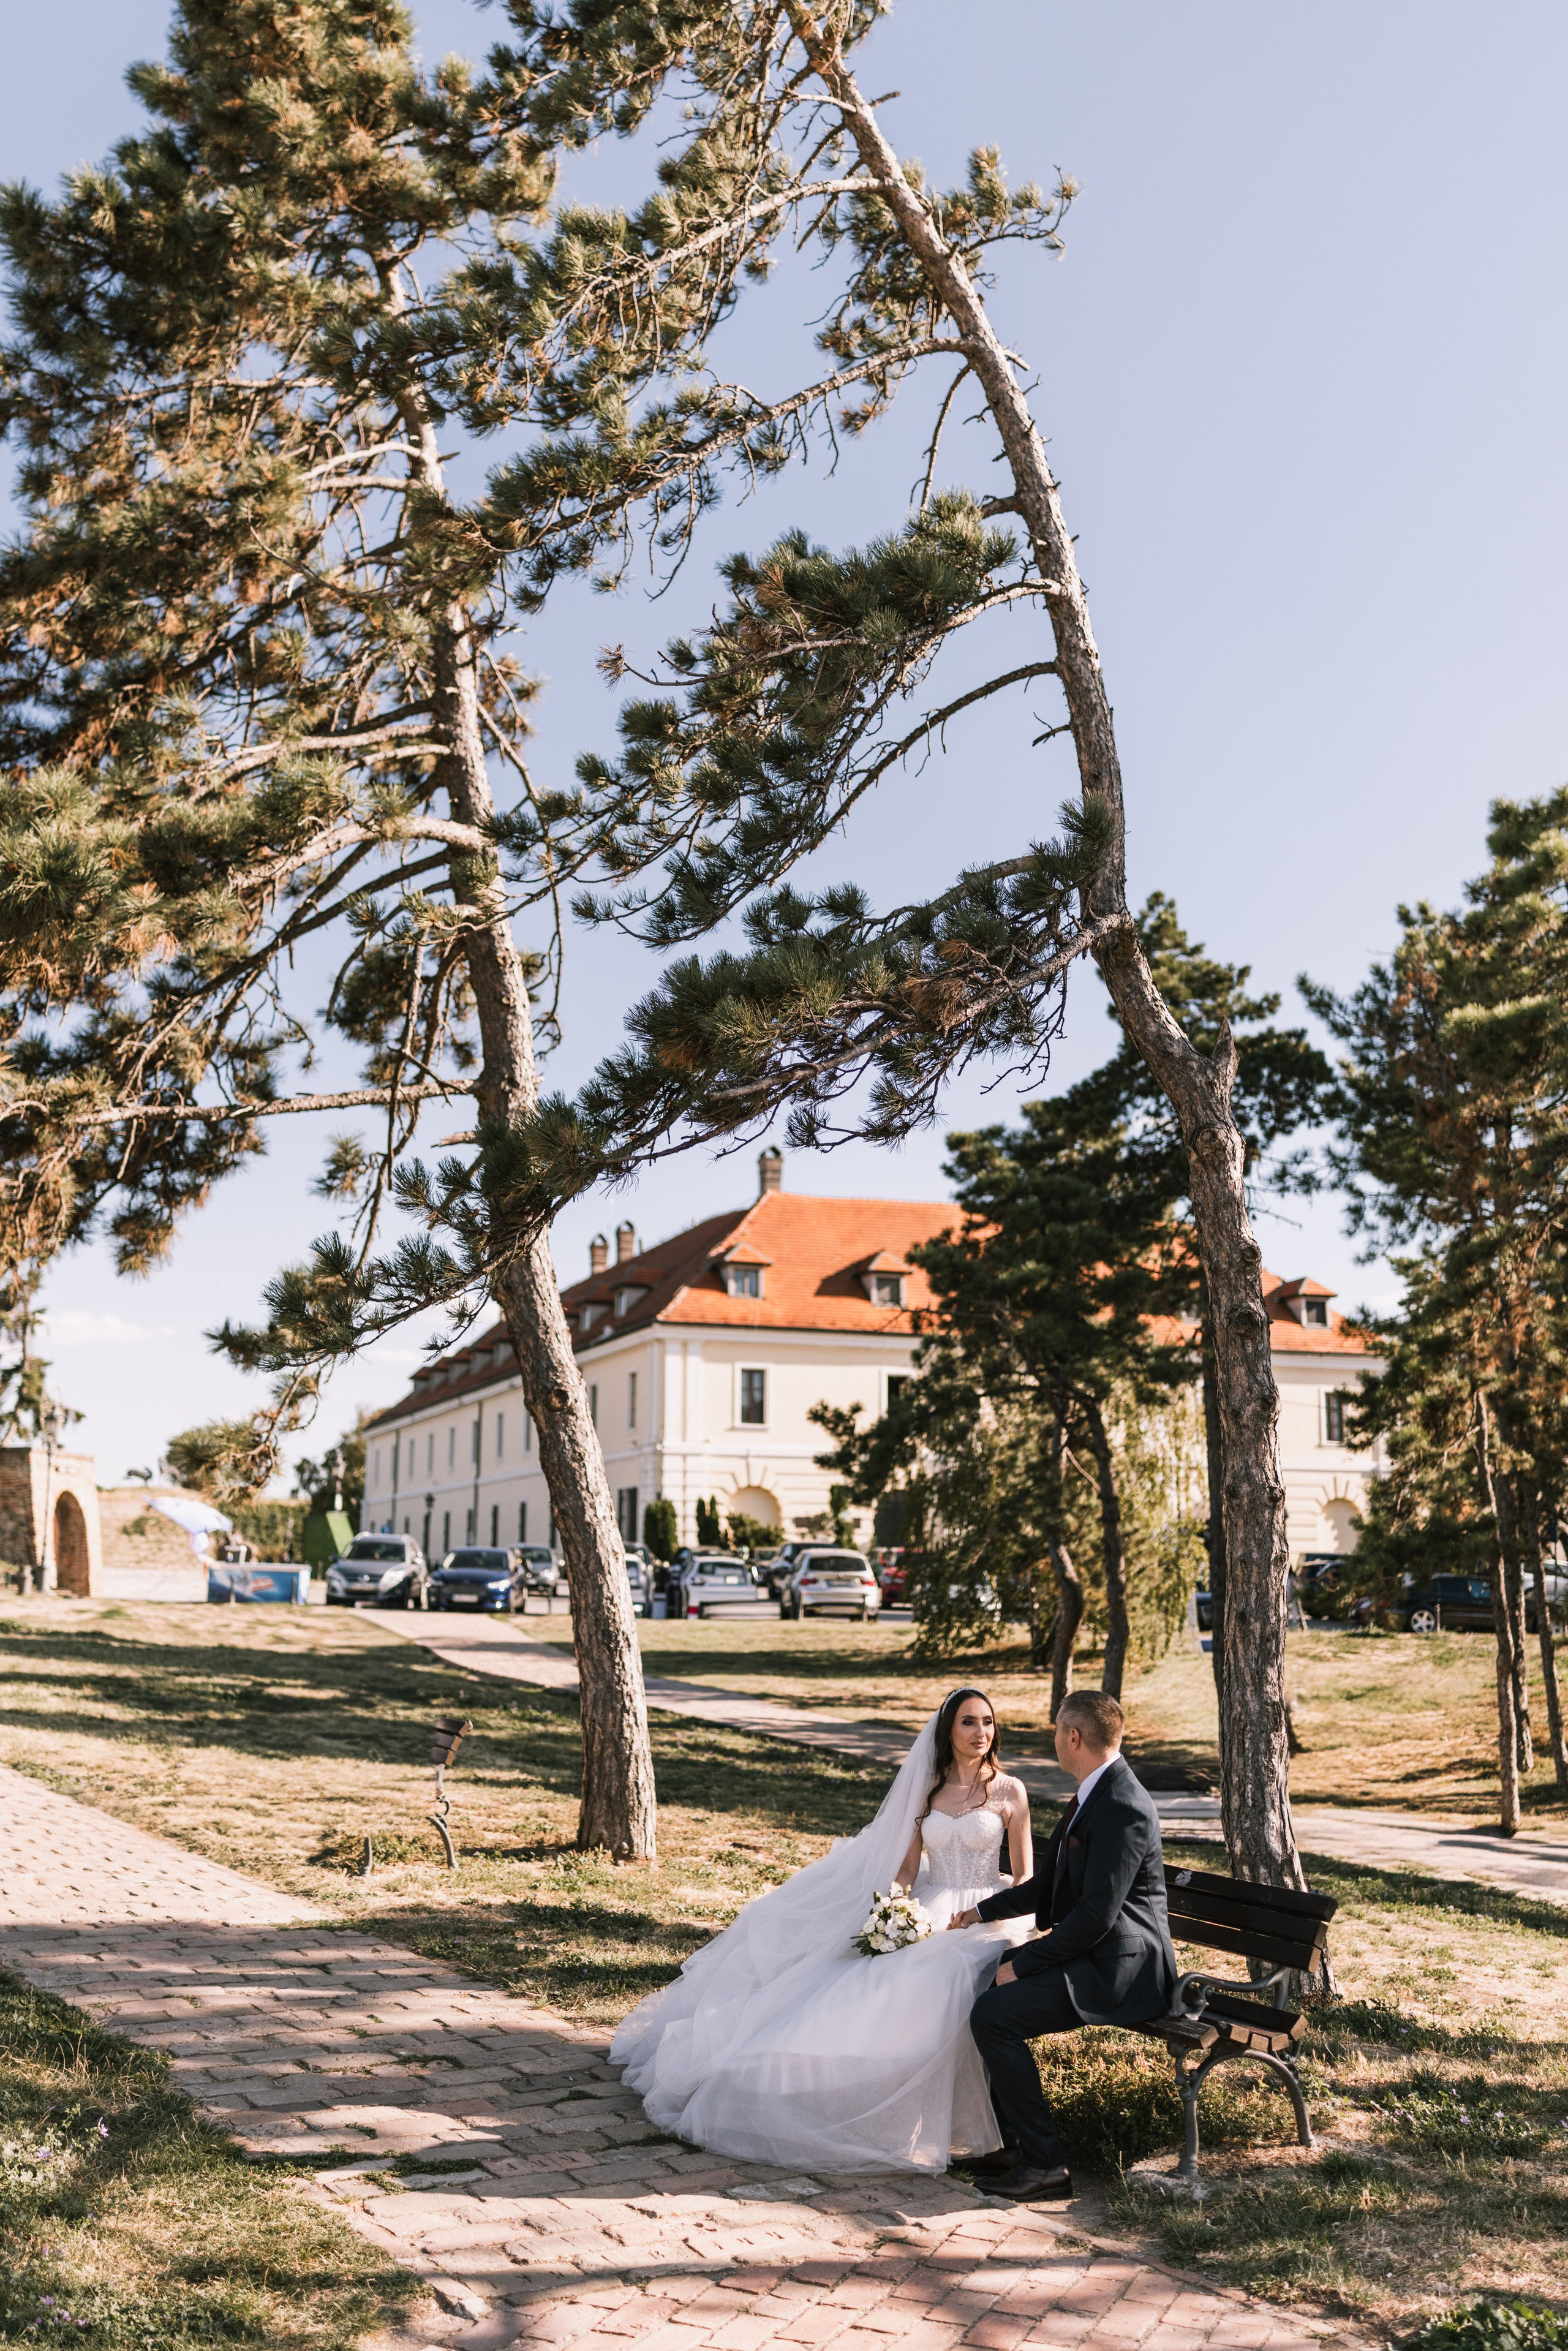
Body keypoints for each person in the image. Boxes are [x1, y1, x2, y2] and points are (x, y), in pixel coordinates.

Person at [611, 1688, 1033, 2173]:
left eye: (987, 1722)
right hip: (931, 1906)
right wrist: (894, 1910)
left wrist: (987, 1914)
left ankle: (963, 2125)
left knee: (948, 1972)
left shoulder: (1009, 1790)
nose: (981, 1732)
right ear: (948, 1731)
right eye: (969, 1722)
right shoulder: (929, 1790)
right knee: (873, 1982)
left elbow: (1026, 1877)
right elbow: (907, 1871)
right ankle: (811, 2083)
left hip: (990, 1910)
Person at [946, 1689, 1177, 2202]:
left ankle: (1046, 2165)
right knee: (986, 1981)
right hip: (1099, 1953)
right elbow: (1050, 1885)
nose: (1054, 1739)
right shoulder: (1096, 1792)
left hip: (1123, 1970)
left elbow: (1097, 1917)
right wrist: (980, 1912)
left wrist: (1026, 1962)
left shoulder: (1122, 1805)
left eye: (1056, 1730)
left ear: (1073, 1737)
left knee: (994, 2015)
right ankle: (1008, 2144)